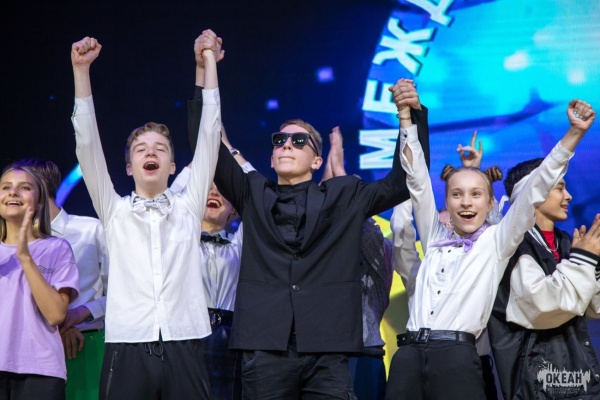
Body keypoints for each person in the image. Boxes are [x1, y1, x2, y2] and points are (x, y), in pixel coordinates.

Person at [212, 77, 429, 398]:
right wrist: (206, 74)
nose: (287, 145)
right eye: (279, 141)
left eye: (299, 141)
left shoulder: (343, 196)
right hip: (265, 349)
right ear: (271, 158)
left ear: (317, 161)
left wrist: (408, 117)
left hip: (327, 352)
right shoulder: (253, 193)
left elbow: (401, 183)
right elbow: (212, 149)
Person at [385, 98, 596, 400]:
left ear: (489, 203)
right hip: (407, 356)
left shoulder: (496, 241)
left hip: (456, 357)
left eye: (476, 194)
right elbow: (416, 179)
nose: (466, 202)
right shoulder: (433, 237)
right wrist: (405, 118)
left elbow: (537, 187)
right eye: (457, 195)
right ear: (447, 202)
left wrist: (574, 133)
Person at [70, 29, 221, 399]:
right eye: (141, 149)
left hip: (185, 339)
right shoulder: (114, 211)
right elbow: (87, 144)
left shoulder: (189, 205)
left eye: (160, 148)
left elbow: (210, 133)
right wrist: (81, 72)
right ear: (128, 166)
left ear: (173, 166)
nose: (150, 152)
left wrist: (209, 63)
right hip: (127, 342)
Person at [487, 157, 600, 399]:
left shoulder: (567, 242)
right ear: (534, 193)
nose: (568, 196)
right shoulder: (512, 246)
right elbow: (542, 307)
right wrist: (584, 260)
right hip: (534, 381)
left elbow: (593, 308)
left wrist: (594, 263)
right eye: (560, 188)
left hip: (577, 375)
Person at [12, 158, 109, 400]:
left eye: (22, 186)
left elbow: (123, 293)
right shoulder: (13, 242)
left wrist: (81, 313)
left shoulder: (91, 230)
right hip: (28, 354)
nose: (13, 194)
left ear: (41, 187)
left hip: (86, 345)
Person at [321, 126, 394, 399]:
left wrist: (339, 170)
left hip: (361, 356)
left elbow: (360, 226)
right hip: (320, 358)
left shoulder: (379, 245)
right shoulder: (321, 250)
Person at [0, 164, 79, 400]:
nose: (13, 192)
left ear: (40, 200)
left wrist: (25, 257)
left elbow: (56, 314)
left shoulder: (57, 248)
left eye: (24, 187)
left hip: (40, 370)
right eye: (6, 187)